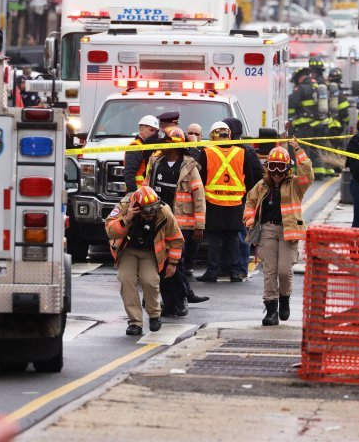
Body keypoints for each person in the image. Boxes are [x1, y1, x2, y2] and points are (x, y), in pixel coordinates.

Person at [244, 141, 314, 326]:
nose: (276, 173)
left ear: (288, 169)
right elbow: (249, 204)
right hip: (267, 230)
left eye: (280, 168)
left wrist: (298, 150)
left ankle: (284, 299)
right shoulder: (261, 186)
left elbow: (307, 173)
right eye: (273, 168)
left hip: (288, 231)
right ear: (267, 168)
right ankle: (271, 310)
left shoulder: (296, 185)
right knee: (269, 271)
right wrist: (250, 222)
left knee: (284, 271)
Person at [145, 126, 208, 315]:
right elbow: (146, 187)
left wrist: (199, 225)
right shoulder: (156, 163)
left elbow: (199, 197)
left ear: (175, 146)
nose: (162, 146)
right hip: (158, 222)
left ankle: (181, 301)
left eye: (165, 142)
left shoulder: (189, 167)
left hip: (182, 225)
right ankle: (169, 303)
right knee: (160, 264)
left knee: (176, 264)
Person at [105, 186, 184, 335]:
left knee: (150, 280)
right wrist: (126, 219)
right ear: (136, 207)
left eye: (153, 208)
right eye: (146, 210)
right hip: (127, 250)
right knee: (126, 280)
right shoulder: (124, 207)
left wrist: (173, 263)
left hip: (150, 252)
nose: (151, 213)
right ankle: (135, 323)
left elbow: (176, 239)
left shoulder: (164, 212)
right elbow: (110, 231)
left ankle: (154, 315)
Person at [196, 121, 256, 283]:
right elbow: (249, 180)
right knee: (233, 237)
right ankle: (234, 272)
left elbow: (200, 180)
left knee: (214, 238)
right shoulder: (241, 152)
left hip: (213, 201)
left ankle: (212, 271)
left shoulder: (206, 152)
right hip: (236, 203)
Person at [223, 117, 264, 278]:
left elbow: (256, 176)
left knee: (241, 236)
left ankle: (241, 269)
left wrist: (251, 199)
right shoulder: (219, 149)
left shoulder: (246, 151)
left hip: (242, 201)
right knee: (228, 236)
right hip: (223, 200)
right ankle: (228, 267)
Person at [124, 115, 159, 192]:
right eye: (151, 130)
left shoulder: (149, 146)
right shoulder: (135, 146)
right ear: (141, 130)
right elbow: (129, 174)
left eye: (156, 131)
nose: (154, 134)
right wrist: (133, 194)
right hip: (137, 192)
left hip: (147, 192)